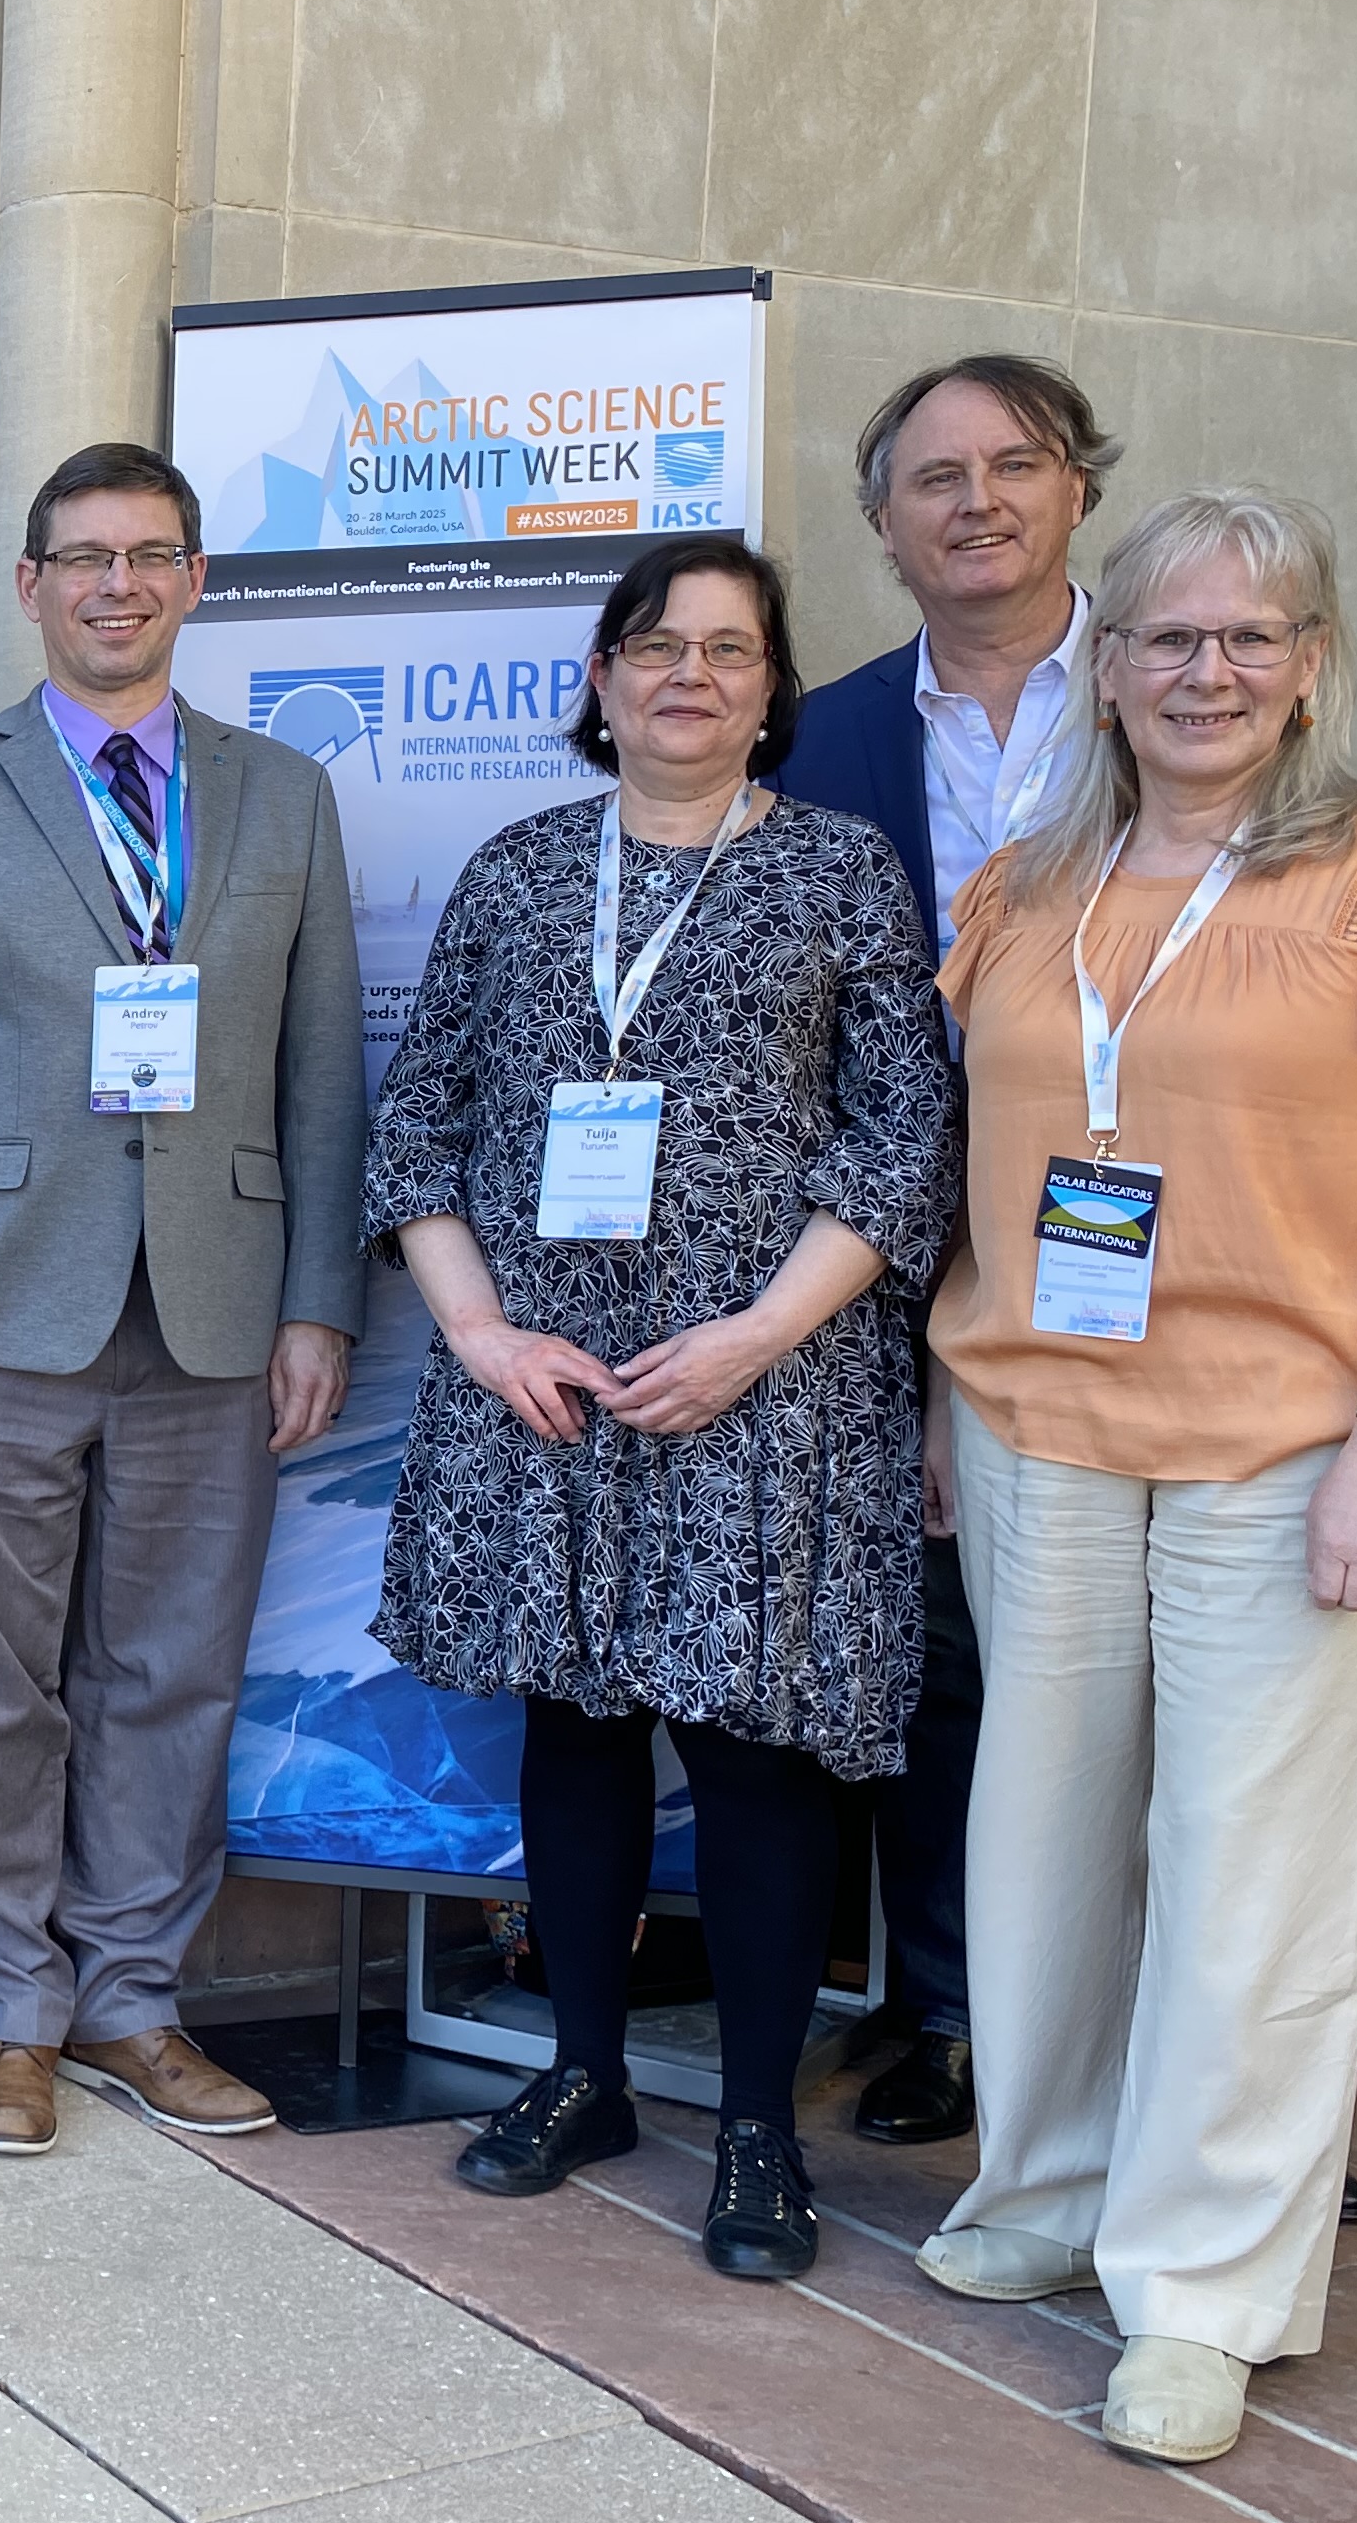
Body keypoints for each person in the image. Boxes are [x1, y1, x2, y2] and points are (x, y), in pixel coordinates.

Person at [369, 543, 954, 2279]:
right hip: (548, 1388)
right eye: (656, 646)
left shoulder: (841, 871)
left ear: (772, 690)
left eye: (729, 650)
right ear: (603, 679)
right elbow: (419, 1125)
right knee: (575, 1729)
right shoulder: (521, 869)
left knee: (759, 1754)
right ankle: (586, 2075)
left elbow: (904, 1141)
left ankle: (761, 2131)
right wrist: (482, 1335)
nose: (689, 675)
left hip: (766, 1391)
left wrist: (755, 1337)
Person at [911, 486, 1357, 2465]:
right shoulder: (1029, 886)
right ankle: (1045, 2185)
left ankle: (1202, 2292)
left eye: (1248, 637)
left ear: (1310, 666)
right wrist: (948, 1405)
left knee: (1250, 1865)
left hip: (1295, 1444)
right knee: (1040, 1834)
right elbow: (980, 1156)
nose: (1206, 672)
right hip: (1033, 1426)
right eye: (1166, 638)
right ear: (1102, 670)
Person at [0, 441, 363, 2157]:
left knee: (173, 1674)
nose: (116, 585)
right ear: (32, 585)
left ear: (195, 581)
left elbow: (322, 1073)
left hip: (217, 1309)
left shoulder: (284, 795)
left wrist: (318, 1301)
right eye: (84, 557)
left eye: (149, 555)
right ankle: (11, 2011)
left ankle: (134, 1998)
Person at [775, 353, 1124, 2148]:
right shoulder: (818, 737)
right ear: (884, 522)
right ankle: (953, 2011)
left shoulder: (1178, 691)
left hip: (1156, 1238)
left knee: (1159, 1656)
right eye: (936, 477)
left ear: (1080, 490)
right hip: (899, 1251)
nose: (977, 501)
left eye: (1016, 465)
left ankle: (1166, 2055)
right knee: (937, 1651)